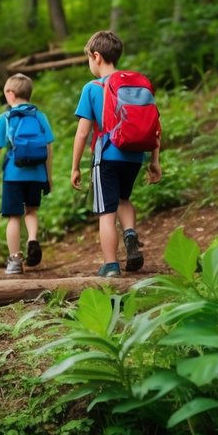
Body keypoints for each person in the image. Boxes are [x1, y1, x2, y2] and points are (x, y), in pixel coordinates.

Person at [69, 30, 163, 277]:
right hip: (134, 156)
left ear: (96, 56)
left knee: (106, 211)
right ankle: (130, 233)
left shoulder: (92, 88)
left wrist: (75, 166)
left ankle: (111, 265)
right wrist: (155, 162)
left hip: (106, 157)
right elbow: (154, 127)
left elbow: (82, 134)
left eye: (89, 58)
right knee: (124, 199)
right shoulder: (135, 85)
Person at [0, 73, 54, 274]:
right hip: (37, 174)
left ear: (10, 94)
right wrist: (48, 176)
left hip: (14, 175)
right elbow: (48, 148)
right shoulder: (40, 116)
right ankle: (33, 239)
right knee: (31, 211)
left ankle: (15, 260)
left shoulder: (5, 118)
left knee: (13, 217)